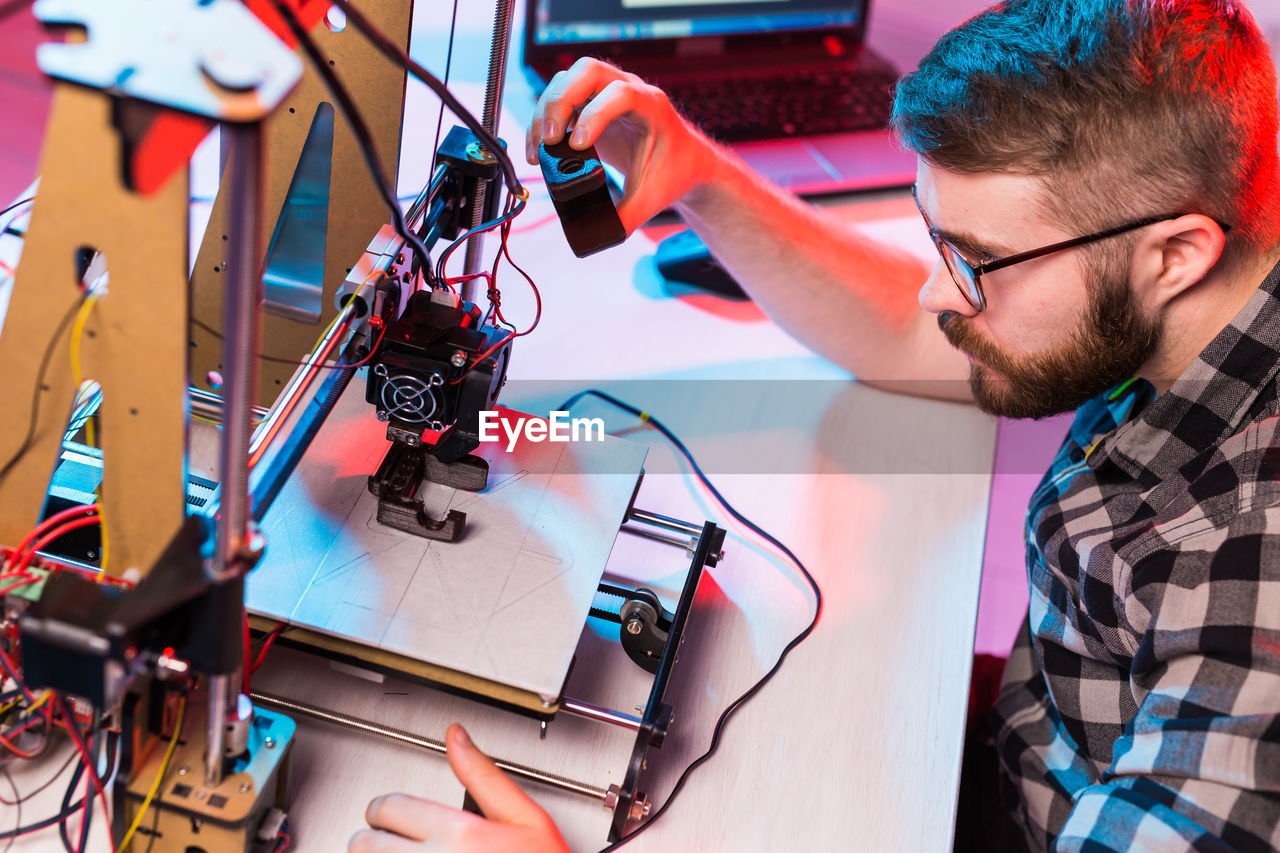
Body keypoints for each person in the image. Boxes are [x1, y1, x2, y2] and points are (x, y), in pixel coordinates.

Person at [350, 0, 1280, 849]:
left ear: (1175, 256)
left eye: (977, 263)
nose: (934, 293)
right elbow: (902, 327)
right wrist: (698, 174)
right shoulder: (1193, 285)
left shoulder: (1246, 596)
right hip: (1044, 740)